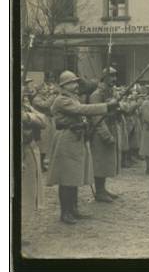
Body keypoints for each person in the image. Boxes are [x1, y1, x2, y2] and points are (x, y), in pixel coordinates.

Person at [47, 70, 118, 224]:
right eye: (73, 82)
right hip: (66, 139)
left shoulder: (73, 98)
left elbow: (82, 111)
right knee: (66, 178)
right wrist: (106, 106)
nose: (76, 85)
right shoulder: (63, 99)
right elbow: (82, 110)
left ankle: (73, 209)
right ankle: (65, 213)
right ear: (65, 85)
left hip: (75, 138)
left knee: (73, 177)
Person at [89, 67, 122, 203]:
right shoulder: (96, 95)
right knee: (100, 162)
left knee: (107, 161)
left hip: (112, 126)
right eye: (111, 77)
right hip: (100, 131)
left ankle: (103, 188)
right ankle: (100, 191)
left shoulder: (112, 93)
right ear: (104, 78)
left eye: (115, 77)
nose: (114, 79)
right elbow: (97, 117)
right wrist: (106, 135)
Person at [22, 81, 47, 224]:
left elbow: (43, 120)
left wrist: (28, 116)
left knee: (28, 191)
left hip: (28, 148)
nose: (26, 87)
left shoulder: (26, 104)